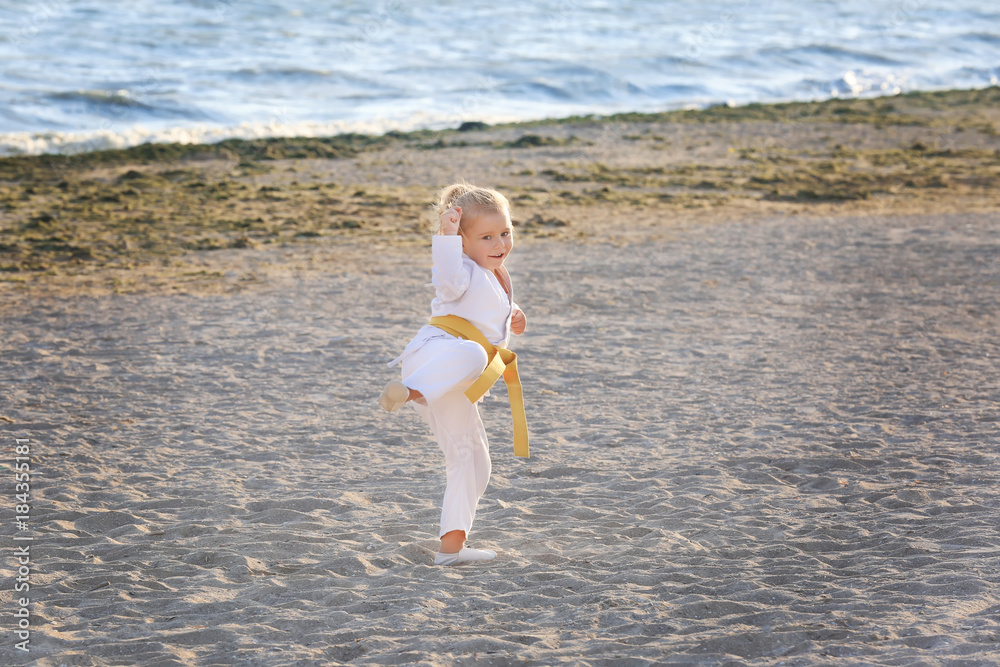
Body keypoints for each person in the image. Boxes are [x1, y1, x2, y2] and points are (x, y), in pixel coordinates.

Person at [379, 182, 527, 566]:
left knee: (475, 461)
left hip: (452, 377)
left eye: (506, 233)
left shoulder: (494, 272)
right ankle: (411, 392)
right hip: (436, 358)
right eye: (487, 236)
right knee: (475, 354)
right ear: (462, 242)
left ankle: (451, 549)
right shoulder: (458, 269)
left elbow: (489, 307)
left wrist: (514, 314)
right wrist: (445, 236)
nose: (500, 243)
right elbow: (448, 281)